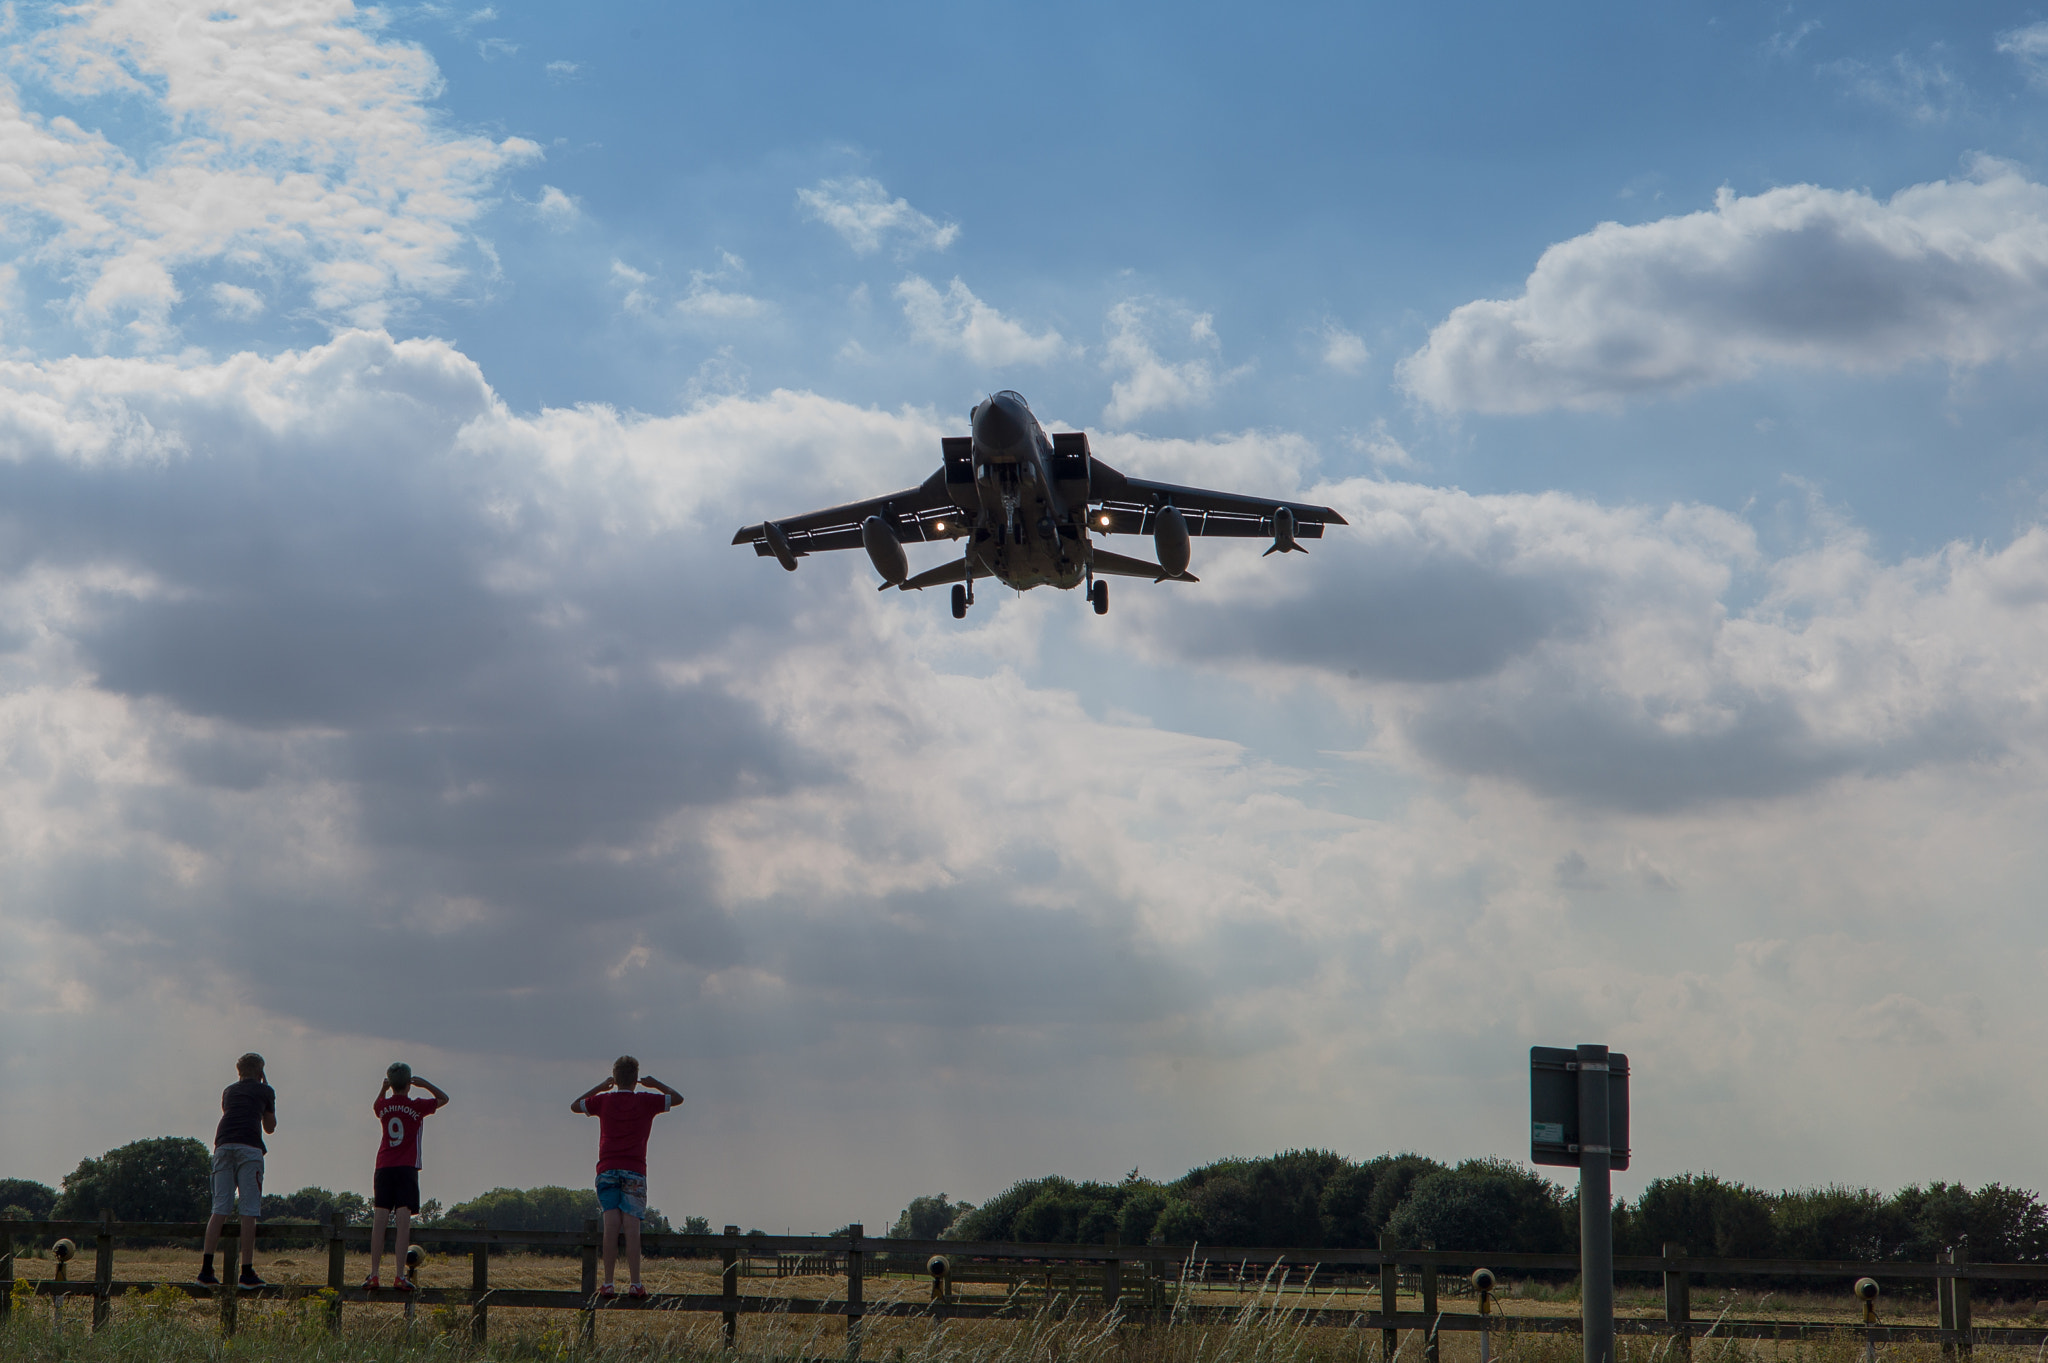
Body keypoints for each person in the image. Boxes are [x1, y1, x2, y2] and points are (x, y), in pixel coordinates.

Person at [571, 1056, 682, 1297]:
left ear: (615, 1077)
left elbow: (575, 1104)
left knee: (610, 1227)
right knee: (632, 1229)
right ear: (635, 1079)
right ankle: (635, 1283)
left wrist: (601, 1087)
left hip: (607, 1168)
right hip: (634, 1169)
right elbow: (677, 1098)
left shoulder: (603, 1101)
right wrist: (656, 1084)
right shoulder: (645, 1101)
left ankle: (608, 1283)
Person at [365, 1062, 451, 1291]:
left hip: (383, 1167)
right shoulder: (417, 1106)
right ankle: (399, 1275)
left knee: (379, 1221)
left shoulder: (384, 1107)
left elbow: (376, 1105)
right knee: (403, 1223)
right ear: (409, 1084)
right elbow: (444, 1099)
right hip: (406, 1168)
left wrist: (383, 1089)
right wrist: (426, 1085)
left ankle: (373, 1274)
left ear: (390, 1083)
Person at [198, 1052, 275, 1288]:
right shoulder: (265, 1091)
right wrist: (267, 1089)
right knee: (248, 1210)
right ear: (260, 1072)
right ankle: (247, 1271)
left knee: (219, 1207)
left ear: (238, 1072)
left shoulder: (228, 1091)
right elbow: (270, 1127)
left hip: (222, 1145)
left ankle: (206, 1270)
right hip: (249, 1147)